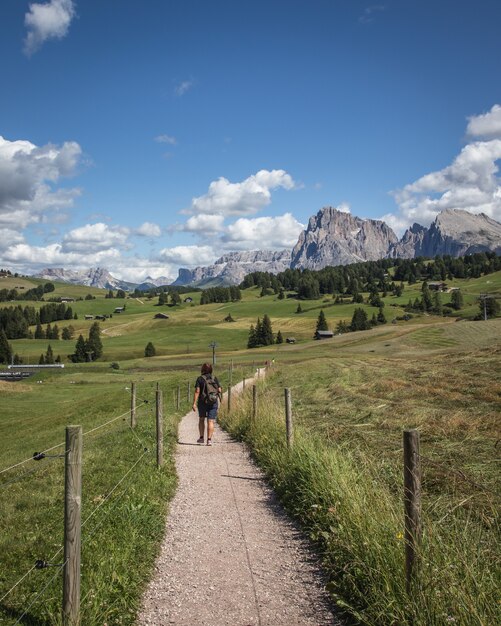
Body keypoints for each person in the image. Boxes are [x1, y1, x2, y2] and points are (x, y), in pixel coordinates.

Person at [192, 363, 222, 446]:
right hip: (213, 401)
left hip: (202, 402)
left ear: (202, 369)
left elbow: (197, 391)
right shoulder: (214, 378)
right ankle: (209, 440)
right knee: (210, 421)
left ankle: (201, 438)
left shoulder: (200, 379)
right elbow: (219, 390)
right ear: (211, 369)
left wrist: (194, 403)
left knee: (201, 419)